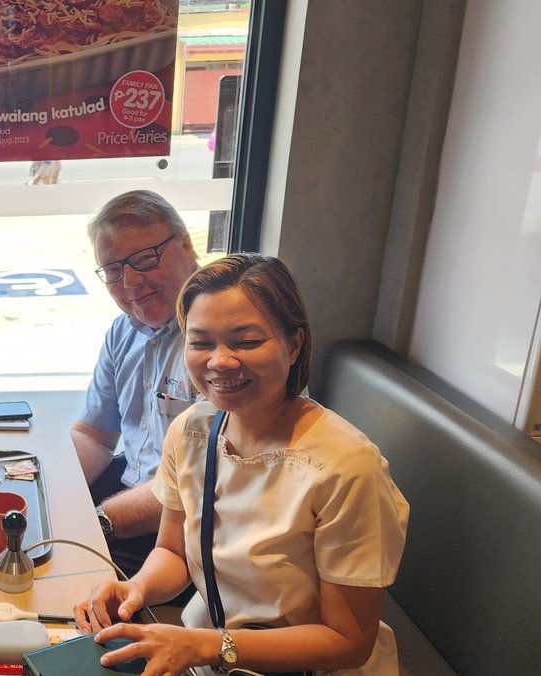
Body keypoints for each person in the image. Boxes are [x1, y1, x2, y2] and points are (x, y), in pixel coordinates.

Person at [75, 253, 409, 675]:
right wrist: (134, 588)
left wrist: (203, 645)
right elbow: (172, 551)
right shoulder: (192, 431)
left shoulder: (346, 468)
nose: (220, 361)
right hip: (211, 656)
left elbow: (348, 641)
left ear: (294, 344)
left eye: (247, 341)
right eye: (200, 342)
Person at [72, 190, 200, 576]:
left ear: (186, 245)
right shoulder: (121, 333)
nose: (131, 283)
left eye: (144, 259)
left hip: (186, 527)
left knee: (56, 567)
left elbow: (199, 490)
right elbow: (94, 436)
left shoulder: (217, 341)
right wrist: (48, 483)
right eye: (113, 271)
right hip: (131, 485)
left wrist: (91, 522)